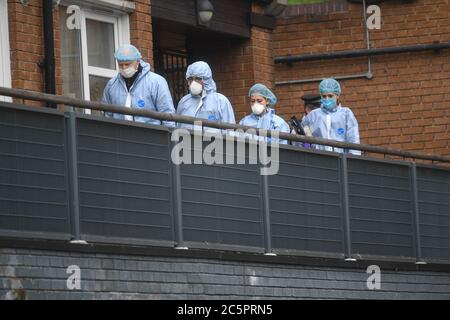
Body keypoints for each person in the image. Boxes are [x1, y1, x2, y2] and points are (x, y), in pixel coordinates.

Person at [102, 44, 175, 126]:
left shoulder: (156, 82)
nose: (124, 68)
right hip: (119, 134)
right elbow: (107, 115)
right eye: (120, 65)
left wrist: (167, 136)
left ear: (138, 62)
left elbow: (167, 114)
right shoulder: (112, 85)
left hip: (150, 134)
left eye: (127, 64)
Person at [301, 78, 361, 155]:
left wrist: (353, 161)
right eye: (324, 96)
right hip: (318, 159)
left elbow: (353, 140)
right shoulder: (313, 115)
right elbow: (301, 134)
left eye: (330, 96)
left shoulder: (346, 114)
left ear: (337, 95)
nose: (327, 99)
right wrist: (306, 145)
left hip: (341, 160)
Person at [176, 61, 235, 132]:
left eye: (198, 78)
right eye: (191, 79)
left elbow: (230, 130)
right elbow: (177, 128)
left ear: (206, 79)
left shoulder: (220, 101)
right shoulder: (184, 102)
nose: (193, 82)